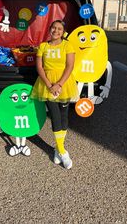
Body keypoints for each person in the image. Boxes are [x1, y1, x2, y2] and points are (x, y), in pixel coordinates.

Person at [31, 20, 79, 169]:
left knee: (64, 115)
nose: (56, 31)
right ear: (50, 29)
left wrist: (58, 84)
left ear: (62, 31)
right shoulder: (43, 46)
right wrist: (49, 85)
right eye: (54, 28)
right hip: (47, 85)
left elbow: (70, 66)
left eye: (59, 29)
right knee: (55, 115)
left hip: (64, 84)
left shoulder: (67, 45)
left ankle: (57, 150)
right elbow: (39, 67)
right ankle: (63, 152)